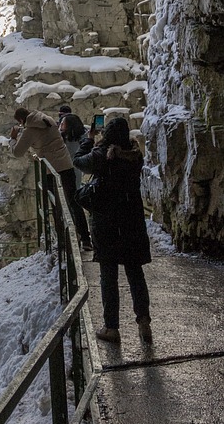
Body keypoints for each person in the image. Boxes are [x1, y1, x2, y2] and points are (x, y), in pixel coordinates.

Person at [74, 116, 152, 344]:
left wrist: (88, 140)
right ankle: (144, 321)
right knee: (135, 272)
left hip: (107, 222)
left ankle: (111, 327)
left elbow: (79, 161)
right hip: (132, 221)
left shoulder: (102, 155)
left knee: (108, 275)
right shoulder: (135, 155)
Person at [10, 106, 93, 249]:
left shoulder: (29, 131)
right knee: (74, 202)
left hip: (51, 170)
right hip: (67, 165)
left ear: (21, 120)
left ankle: (63, 241)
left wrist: (13, 138)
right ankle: (85, 239)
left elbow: (17, 152)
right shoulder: (47, 120)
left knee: (57, 205)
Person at [58, 104, 87, 187]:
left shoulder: (65, 138)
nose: (61, 125)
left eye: (63, 124)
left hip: (68, 168)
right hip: (76, 168)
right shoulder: (83, 136)